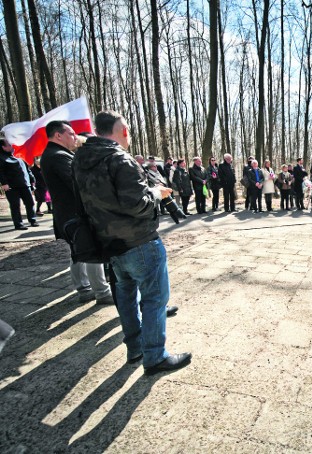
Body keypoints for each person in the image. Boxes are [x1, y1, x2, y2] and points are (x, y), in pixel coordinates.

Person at [73, 110, 191, 375]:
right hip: (139, 241)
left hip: (109, 243)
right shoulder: (120, 160)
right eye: (127, 129)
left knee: (125, 297)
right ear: (122, 130)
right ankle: (155, 356)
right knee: (154, 298)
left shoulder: (80, 159)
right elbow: (137, 204)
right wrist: (156, 193)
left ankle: (135, 347)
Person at [40, 121, 114, 305]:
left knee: (78, 252)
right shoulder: (58, 156)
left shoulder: (53, 154)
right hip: (74, 214)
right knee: (91, 250)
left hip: (66, 215)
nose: (75, 137)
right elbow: (78, 184)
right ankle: (102, 292)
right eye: (71, 133)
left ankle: (84, 288)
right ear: (58, 135)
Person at [0, 137, 38, 230]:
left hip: (25, 183)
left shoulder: (18, 154)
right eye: (9, 145)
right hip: (12, 186)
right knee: (15, 205)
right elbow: (0, 172)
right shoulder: (1, 158)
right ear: (3, 147)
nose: (12, 146)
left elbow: (26, 169)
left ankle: (32, 220)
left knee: (30, 203)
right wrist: (4, 183)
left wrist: (32, 179)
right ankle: (18, 224)